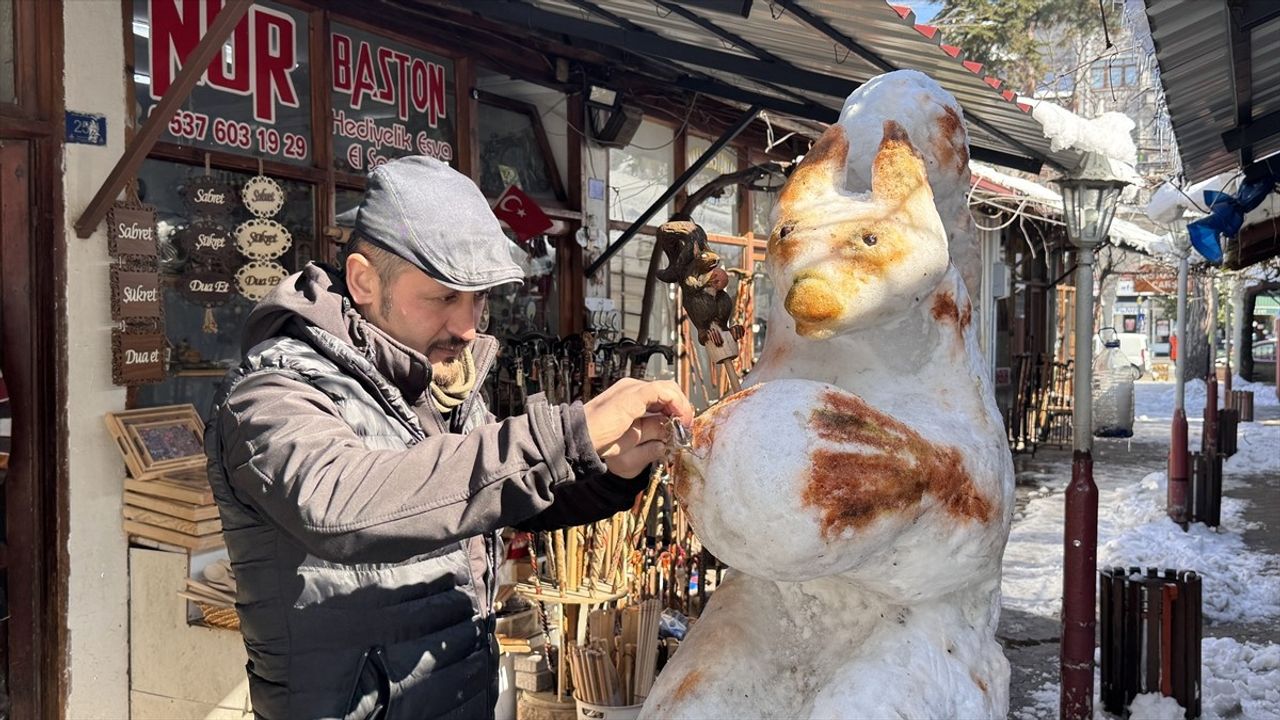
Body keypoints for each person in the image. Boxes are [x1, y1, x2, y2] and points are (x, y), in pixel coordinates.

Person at [204, 156, 693, 720]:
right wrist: (566, 432)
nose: (468, 327)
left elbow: (493, 496)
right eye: (443, 297)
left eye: (479, 299)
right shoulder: (271, 391)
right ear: (364, 280)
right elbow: (342, 506)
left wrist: (609, 468)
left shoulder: (439, 387)